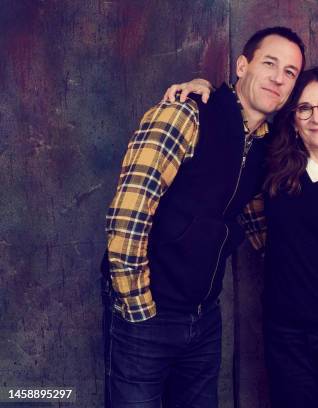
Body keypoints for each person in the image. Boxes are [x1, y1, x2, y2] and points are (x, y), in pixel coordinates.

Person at [164, 67, 318, 407]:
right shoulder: (274, 162)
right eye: (304, 108)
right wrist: (202, 89)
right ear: (292, 120)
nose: (316, 117)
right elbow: (238, 118)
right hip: (285, 335)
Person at [101, 26, 305, 407]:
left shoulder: (268, 145)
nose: (279, 77)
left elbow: (257, 221)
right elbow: (129, 212)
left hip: (204, 316)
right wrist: (137, 307)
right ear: (242, 66)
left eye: (290, 72)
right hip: (148, 310)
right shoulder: (186, 113)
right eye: (270, 63)